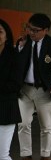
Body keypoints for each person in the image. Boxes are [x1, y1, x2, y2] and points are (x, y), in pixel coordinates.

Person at [16, 13, 51, 160]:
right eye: (29, 28)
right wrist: (19, 47)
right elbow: (16, 63)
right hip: (25, 90)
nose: (31, 32)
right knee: (23, 123)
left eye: (36, 30)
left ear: (46, 30)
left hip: (44, 90)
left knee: (46, 126)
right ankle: (26, 155)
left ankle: (45, 155)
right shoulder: (23, 42)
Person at [0, 19, 22, 160]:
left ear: (6, 36)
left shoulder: (14, 56)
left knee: (2, 155)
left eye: (0, 32)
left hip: (6, 109)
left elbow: (16, 84)